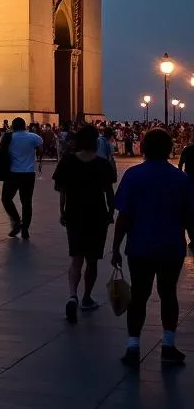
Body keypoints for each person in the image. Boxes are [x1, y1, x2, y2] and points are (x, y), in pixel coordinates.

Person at [112, 127, 194, 367]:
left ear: (144, 148)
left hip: (140, 247)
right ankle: (168, 345)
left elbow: (123, 217)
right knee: (168, 295)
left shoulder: (133, 176)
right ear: (169, 149)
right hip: (171, 247)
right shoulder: (182, 179)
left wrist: (116, 247)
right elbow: (190, 218)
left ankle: (133, 346)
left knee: (138, 296)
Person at [53, 124, 115, 324]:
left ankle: (72, 295)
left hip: (74, 214)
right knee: (92, 260)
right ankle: (87, 297)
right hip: (97, 214)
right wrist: (110, 213)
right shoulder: (103, 164)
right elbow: (109, 192)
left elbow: (62, 190)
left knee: (76, 257)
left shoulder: (68, 161)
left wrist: (62, 212)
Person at [1, 117, 44, 239]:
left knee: (6, 198)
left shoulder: (9, 137)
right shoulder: (34, 137)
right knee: (26, 202)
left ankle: (16, 220)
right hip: (28, 173)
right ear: (25, 126)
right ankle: (25, 228)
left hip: (13, 173)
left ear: (13, 126)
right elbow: (40, 149)